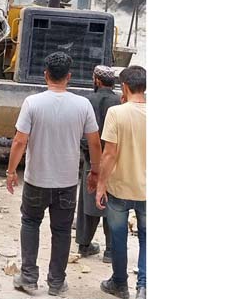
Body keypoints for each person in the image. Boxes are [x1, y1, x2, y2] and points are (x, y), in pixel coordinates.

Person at [6, 52, 103, 296]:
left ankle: (28, 277)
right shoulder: (82, 104)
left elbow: (19, 141)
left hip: (36, 179)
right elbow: (94, 143)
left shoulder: (33, 103)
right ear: (69, 76)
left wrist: (10, 171)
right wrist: (95, 172)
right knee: (60, 231)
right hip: (67, 182)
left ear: (46, 74)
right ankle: (57, 283)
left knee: (30, 223)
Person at [95, 65, 147, 299]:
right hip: (148, 190)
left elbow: (109, 154)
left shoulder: (117, 113)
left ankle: (120, 283)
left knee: (118, 237)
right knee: (148, 239)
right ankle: (143, 287)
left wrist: (100, 184)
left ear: (124, 87)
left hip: (119, 188)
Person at [76, 65, 122, 262]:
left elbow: (84, 134)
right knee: (113, 203)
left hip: (92, 159)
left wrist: (89, 155)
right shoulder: (119, 102)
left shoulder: (88, 100)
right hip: (114, 160)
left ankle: (84, 245)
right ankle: (110, 251)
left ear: (97, 80)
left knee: (89, 201)